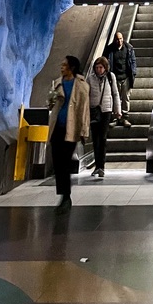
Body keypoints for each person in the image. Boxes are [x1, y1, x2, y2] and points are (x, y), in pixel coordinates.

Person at [47, 55, 90, 212]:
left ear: (71, 67)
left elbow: (85, 110)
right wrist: (50, 100)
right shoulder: (57, 83)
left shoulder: (81, 85)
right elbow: (51, 104)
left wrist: (84, 131)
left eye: (64, 65)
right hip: (57, 128)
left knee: (64, 163)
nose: (61, 67)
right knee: (58, 163)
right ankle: (63, 195)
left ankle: (66, 197)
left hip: (71, 130)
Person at [86, 56, 121, 178]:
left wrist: (118, 110)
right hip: (94, 110)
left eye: (100, 67)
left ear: (105, 68)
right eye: (96, 67)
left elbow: (115, 94)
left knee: (103, 138)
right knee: (95, 139)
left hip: (106, 111)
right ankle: (97, 165)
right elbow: (86, 96)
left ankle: (102, 166)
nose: (98, 70)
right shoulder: (90, 79)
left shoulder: (111, 77)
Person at [106, 31, 136, 126]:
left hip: (126, 77)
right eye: (117, 39)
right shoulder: (110, 50)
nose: (119, 41)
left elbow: (133, 61)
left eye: (121, 39)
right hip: (114, 78)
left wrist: (133, 73)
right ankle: (116, 118)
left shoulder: (129, 48)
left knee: (125, 97)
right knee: (115, 98)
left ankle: (125, 117)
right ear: (114, 39)